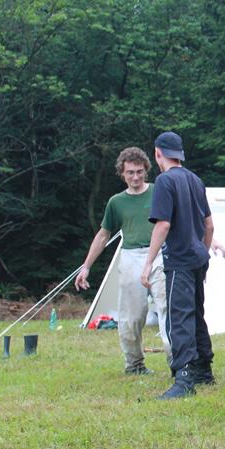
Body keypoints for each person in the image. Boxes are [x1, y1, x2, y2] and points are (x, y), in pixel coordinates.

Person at [75, 147, 170, 375]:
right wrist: (86, 267)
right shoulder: (116, 202)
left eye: (139, 172)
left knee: (167, 309)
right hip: (131, 257)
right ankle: (134, 364)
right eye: (130, 173)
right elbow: (103, 235)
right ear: (122, 173)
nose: (135, 177)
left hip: (160, 255)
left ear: (146, 170)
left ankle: (177, 364)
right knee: (131, 316)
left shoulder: (159, 191)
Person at [143, 132, 216, 400]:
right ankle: (203, 370)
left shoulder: (165, 181)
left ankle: (184, 378)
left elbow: (163, 225)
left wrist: (148, 263)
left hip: (179, 260)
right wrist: (203, 253)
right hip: (197, 258)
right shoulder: (195, 180)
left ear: (157, 153)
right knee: (196, 313)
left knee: (179, 317)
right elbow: (209, 225)